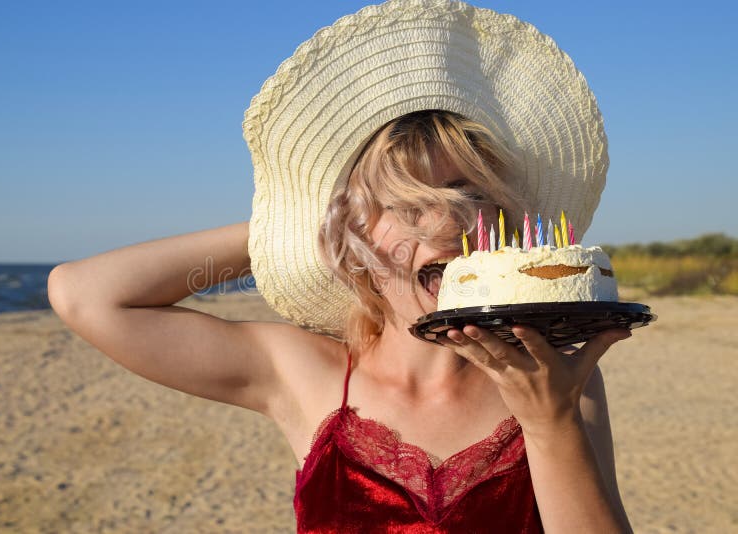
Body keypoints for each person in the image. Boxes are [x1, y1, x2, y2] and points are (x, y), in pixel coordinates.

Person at [48, 1, 633, 532]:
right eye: (405, 203)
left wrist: (551, 422)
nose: (447, 219)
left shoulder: (555, 374)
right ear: (355, 238)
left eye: (467, 193)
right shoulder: (305, 375)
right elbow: (84, 294)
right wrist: (304, 225)